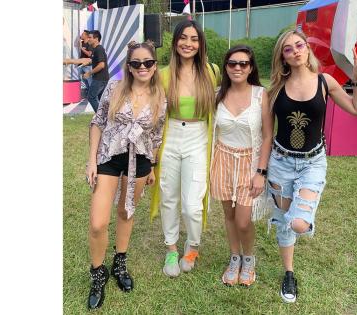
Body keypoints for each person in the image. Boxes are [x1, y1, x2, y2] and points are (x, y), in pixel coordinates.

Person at [267, 30, 357, 303]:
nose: (296, 51)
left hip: (312, 162)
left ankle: (301, 214)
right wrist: (260, 171)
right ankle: (289, 272)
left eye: (299, 45)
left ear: (307, 49)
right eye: (288, 49)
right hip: (280, 162)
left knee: (297, 223)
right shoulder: (276, 89)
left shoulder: (325, 81)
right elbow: (267, 133)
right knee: (283, 223)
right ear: (283, 57)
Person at [85, 40, 166, 310]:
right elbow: (97, 122)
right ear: (129, 67)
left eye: (148, 63)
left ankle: (120, 262)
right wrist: (91, 161)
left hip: (140, 162)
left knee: (125, 212)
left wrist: (152, 167)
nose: (142, 67)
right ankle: (98, 274)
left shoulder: (160, 96)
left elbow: (156, 135)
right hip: (109, 157)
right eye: (136, 63)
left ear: (154, 66)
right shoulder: (114, 87)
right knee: (98, 222)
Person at [149, 19, 221, 278]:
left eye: (194, 39)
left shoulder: (212, 72)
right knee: (169, 197)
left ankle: (192, 246)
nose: (188, 44)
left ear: (200, 44)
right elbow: (152, 114)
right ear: (175, 41)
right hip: (171, 136)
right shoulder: (163, 74)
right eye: (183, 38)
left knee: (192, 204)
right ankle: (171, 248)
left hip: (198, 137)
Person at [209, 45, 273, 287]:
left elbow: (267, 135)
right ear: (226, 67)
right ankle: (234, 257)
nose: (237, 67)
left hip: (249, 162)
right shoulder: (218, 94)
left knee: (243, 220)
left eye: (243, 64)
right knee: (229, 215)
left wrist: (260, 172)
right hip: (223, 159)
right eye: (232, 63)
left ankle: (249, 258)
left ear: (251, 68)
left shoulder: (260, 95)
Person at [84, 30, 110, 112]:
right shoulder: (96, 49)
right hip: (102, 78)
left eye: (90, 37)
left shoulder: (99, 49)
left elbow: (101, 65)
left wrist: (89, 73)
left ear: (96, 39)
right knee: (101, 99)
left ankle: (100, 117)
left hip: (100, 78)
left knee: (91, 97)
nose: (88, 39)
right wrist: (89, 62)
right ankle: (105, 117)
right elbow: (97, 61)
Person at [79, 30, 94, 97]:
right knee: (83, 79)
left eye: (83, 34)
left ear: (86, 36)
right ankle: (89, 92)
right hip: (81, 65)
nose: (81, 35)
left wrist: (81, 48)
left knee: (89, 80)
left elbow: (89, 54)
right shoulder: (81, 43)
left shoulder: (89, 44)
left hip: (87, 66)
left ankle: (92, 94)